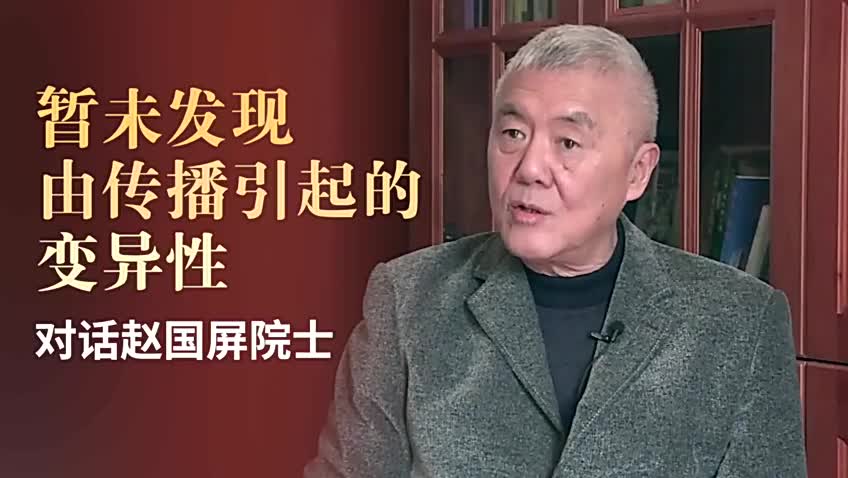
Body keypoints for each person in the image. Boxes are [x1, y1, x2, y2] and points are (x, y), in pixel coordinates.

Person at [303, 24, 807, 477]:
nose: (529, 168)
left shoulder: (741, 322)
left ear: (638, 171)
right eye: (513, 133)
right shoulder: (407, 300)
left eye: (567, 143)